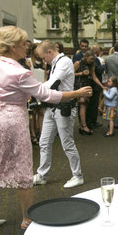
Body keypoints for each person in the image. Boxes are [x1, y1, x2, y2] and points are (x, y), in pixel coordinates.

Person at [0, 27, 91, 230]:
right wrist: (76, 93)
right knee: (23, 169)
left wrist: (2, 99)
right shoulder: (20, 72)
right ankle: (26, 219)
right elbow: (46, 94)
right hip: (13, 121)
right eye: (24, 44)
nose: (27, 48)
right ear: (13, 47)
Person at [31, 40, 88, 190]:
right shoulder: (56, 63)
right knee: (44, 142)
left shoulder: (64, 62)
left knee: (67, 143)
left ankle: (78, 175)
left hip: (64, 108)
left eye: (44, 57)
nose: (44, 61)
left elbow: (52, 84)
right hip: (52, 108)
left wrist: (31, 90)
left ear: (49, 52)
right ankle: (42, 175)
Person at [75, 51, 104, 135]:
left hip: (87, 87)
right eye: (91, 59)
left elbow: (94, 76)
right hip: (79, 87)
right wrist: (81, 73)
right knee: (83, 105)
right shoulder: (78, 63)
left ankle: (82, 125)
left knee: (85, 106)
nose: (92, 60)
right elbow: (69, 74)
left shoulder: (91, 65)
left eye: (93, 59)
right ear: (86, 57)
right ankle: (84, 126)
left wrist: (102, 86)